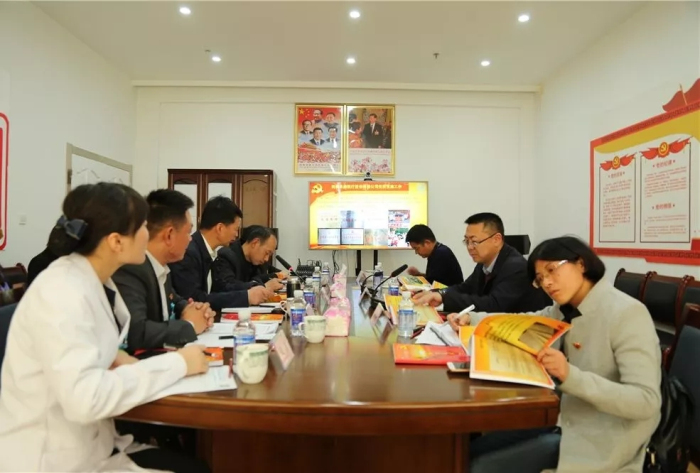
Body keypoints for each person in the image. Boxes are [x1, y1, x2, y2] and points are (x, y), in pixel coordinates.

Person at [0, 183, 209, 472]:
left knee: (196, 465)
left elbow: (99, 351)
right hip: (53, 460)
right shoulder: (61, 292)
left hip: (94, 445)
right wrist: (179, 364)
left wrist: (117, 358)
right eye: (142, 227)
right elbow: (85, 399)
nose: (149, 234)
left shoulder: (94, 280)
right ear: (116, 241)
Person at [451, 236, 662, 473]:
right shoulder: (565, 308)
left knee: (479, 466)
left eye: (552, 270)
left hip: (603, 437)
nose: (547, 283)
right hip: (563, 418)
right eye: (540, 279)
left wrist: (569, 375)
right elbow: (526, 321)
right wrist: (474, 318)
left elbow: (646, 402)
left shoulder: (627, 314)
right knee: (466, 449)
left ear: (581, 264)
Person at [113, 189, 214, 352]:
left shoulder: (160, 267)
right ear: (169, 235)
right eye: (188, 232)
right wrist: (189, 325)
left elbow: (174, 299)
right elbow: (137, 332)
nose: (190, 239)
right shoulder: (131, 269)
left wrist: (194, 310)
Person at [412, 213, 549, 314]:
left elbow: (493, 304)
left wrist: (445, 298)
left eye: (475, 241)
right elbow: (465, 287)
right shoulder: (484, 262)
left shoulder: (516, 267)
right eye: (467, 241)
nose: (470, 247)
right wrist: (436, 293)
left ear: (496, 239)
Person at [170, 196, 271, 312]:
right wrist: (246, 297)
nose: (236, 235)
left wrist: (251, 289)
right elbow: (194, 299)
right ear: (220, 228)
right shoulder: (189, 253)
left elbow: (221, 287)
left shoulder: (209, 251)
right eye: (235, 229)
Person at [211, 225, 284, 293]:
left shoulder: (257, 261)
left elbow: (260, 277)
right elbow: (227, 287)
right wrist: (263, 286)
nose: (266, 259)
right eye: (267, 253)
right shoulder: (226, 256)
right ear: (255, 243)